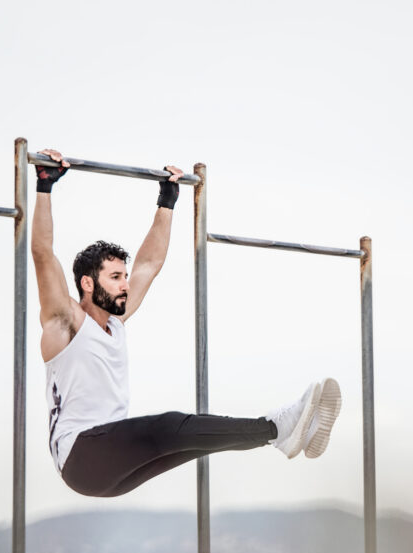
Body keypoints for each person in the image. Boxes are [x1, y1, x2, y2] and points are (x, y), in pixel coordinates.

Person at [31, 148, 341, 497]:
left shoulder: (115, 323)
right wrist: (45, 188)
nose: (125, 284)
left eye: (124, 276)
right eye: (115, 277)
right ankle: (277, 426)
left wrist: (167, 201)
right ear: (88, 284)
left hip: (107, 468)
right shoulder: (66, 324)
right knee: (169, 427)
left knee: (184, 443)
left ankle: (282, 434)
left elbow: (150, 263)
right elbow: (43, 254)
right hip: (82, 455)